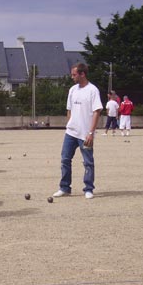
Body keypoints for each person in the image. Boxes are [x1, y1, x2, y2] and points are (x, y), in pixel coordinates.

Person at [52, 63, 103, 199]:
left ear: (82, 74)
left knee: (88, 162)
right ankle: (64, 187)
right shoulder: (72, 90)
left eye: (74, 74)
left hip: (85, 134)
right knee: (65, 159)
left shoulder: (93, 90)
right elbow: (69, 110)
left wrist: (91, 133)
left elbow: (97, 111)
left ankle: (88, 189)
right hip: (71, 133)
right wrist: (70, 123)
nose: (72, 77)